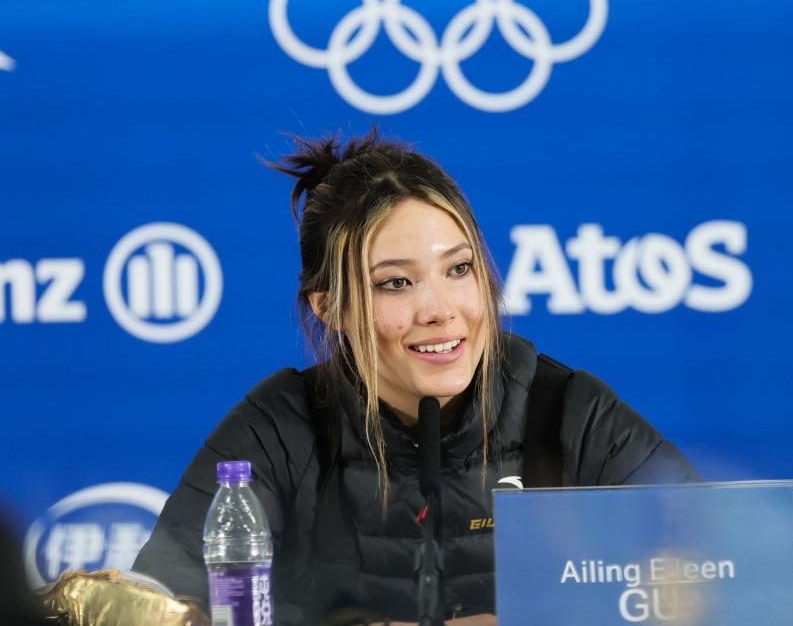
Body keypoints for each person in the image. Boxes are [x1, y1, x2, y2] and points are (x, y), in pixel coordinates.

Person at [133, 129, 697, 625]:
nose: (440, 310)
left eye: (459, 269)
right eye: (395, 283)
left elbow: (715, 576)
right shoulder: (280, 427)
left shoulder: (568, 409)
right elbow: (159, 601)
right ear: (330, 307)